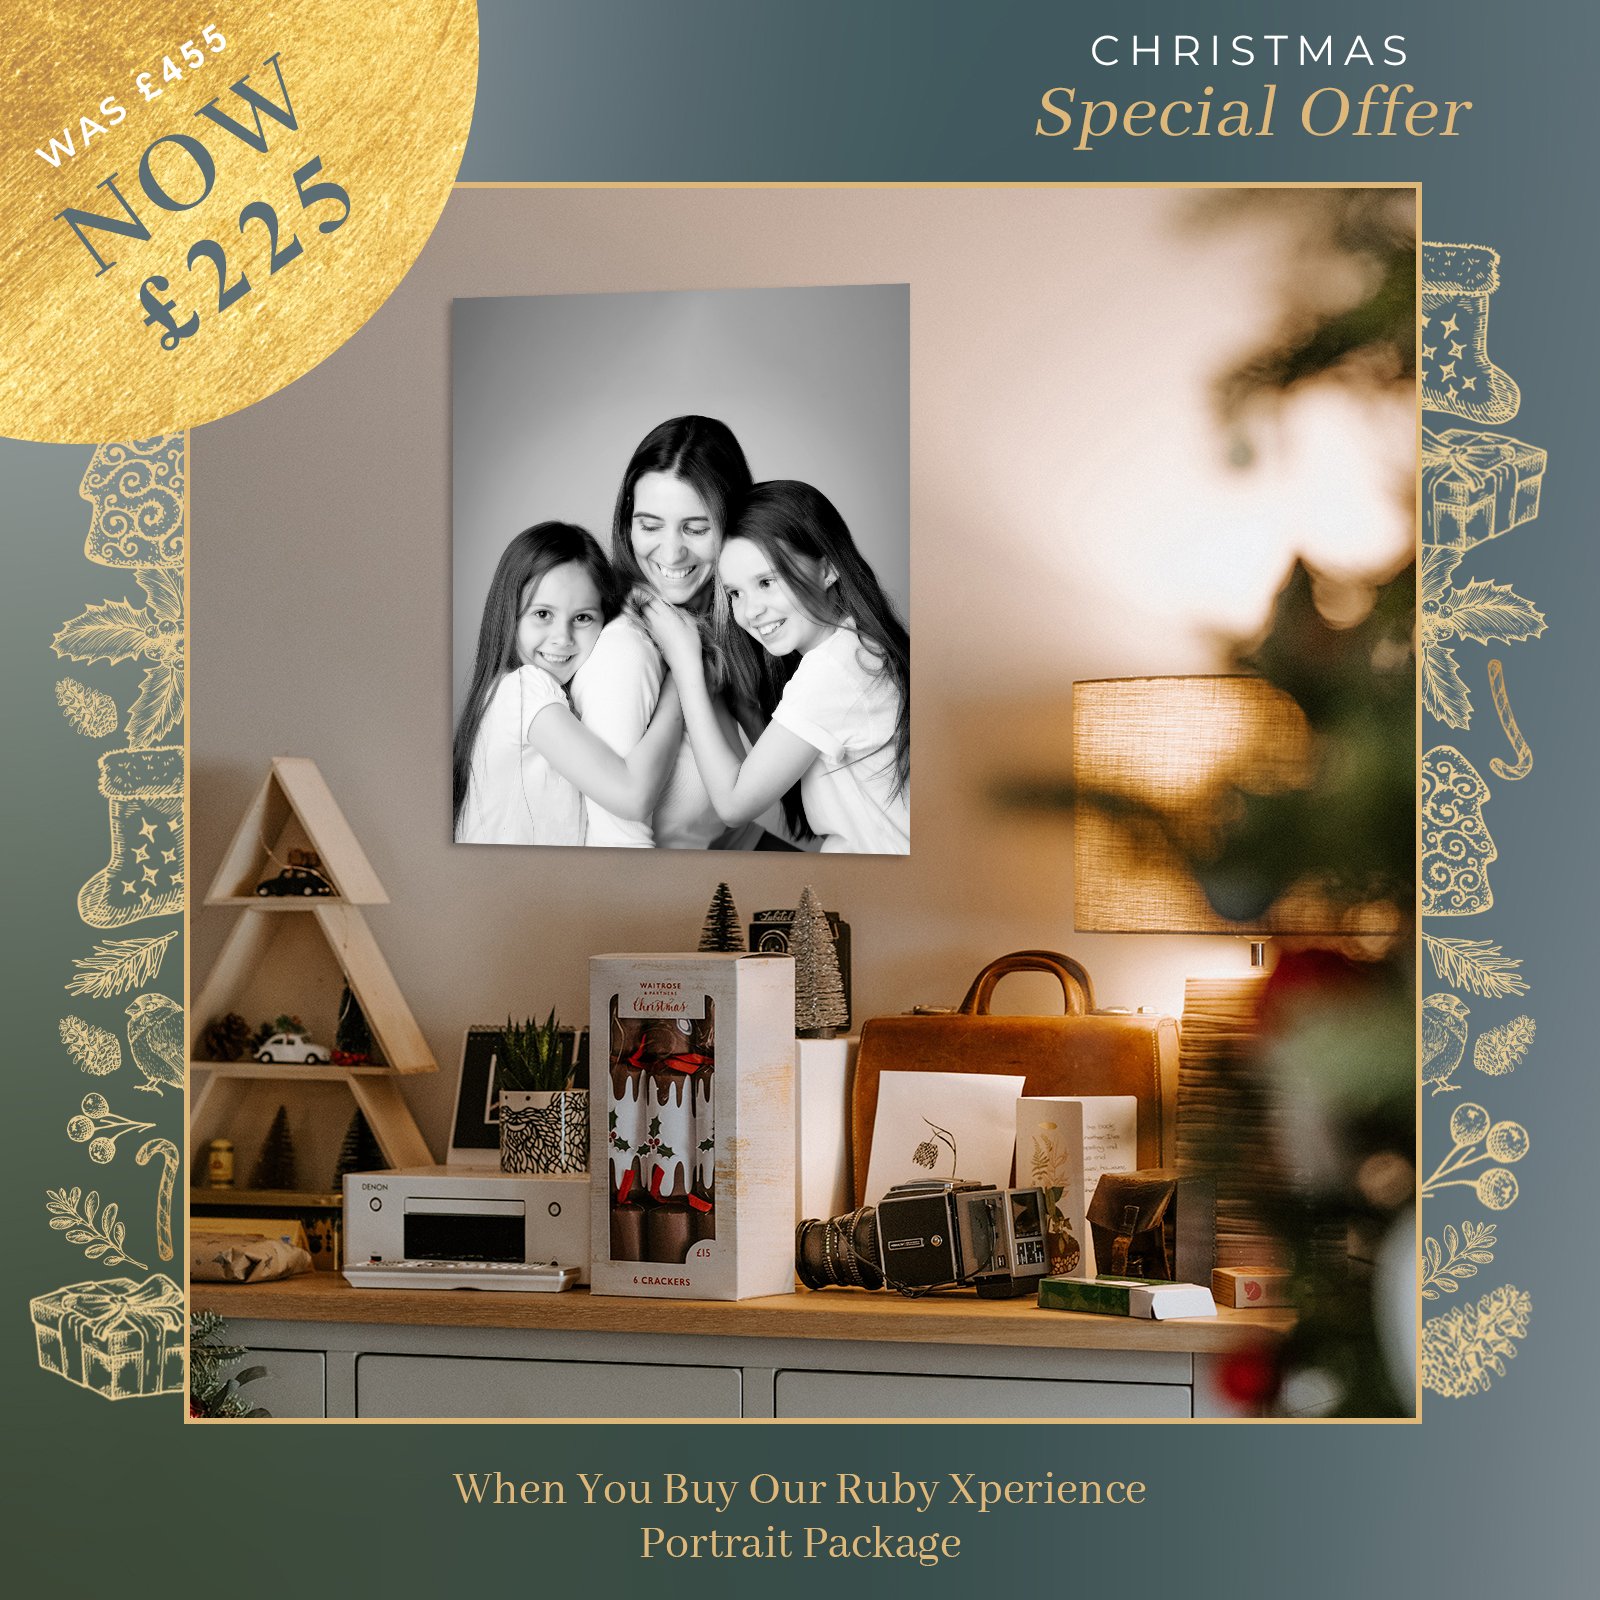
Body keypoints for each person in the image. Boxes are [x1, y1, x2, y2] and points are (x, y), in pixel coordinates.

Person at [644, 479, 910, 854]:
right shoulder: (858, 648)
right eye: (735, 592)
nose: (751, 611)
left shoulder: (835, 669)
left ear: (828, 568)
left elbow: (734, 804)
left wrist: (686, 664)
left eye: (767, 582)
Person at [571, 416, 763, 849]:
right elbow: (616, 851)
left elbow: (742, 825)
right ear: (627, 524)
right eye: (651, 525)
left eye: (696, 528)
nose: (672, 552)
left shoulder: (727, 636)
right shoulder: (626, 651)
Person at [452, 523, 683, 845]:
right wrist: (680, 678)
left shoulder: (521, 694)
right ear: (508, 614)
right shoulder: (522, 689)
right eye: (543, 614)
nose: (562, 638)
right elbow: (632, 797)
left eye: (583, 618)